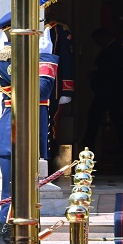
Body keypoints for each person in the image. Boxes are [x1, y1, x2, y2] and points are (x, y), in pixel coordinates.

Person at [0, 13, 58, 244]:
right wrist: (46, 59)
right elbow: (41, 91)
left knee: (26, 195)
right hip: (15, 135)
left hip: (23, 133)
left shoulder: (23, 58)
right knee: (13, 195)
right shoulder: (8, 59)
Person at [82, 28, 123, 153]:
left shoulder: (115, 50)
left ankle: (88, 144)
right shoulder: (113, 50)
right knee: (117, 120)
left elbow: (112, 71)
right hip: (109, 91)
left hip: (109, 91)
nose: (97, 42)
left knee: (99, 118)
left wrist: (96, 74)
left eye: (97, 39)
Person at [45, 18, 74, 162]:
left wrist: (66, 89)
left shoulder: (57, 30)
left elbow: (65, 60)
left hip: (51, 86)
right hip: (26, 85)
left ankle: (48, 159)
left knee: (49, 125)